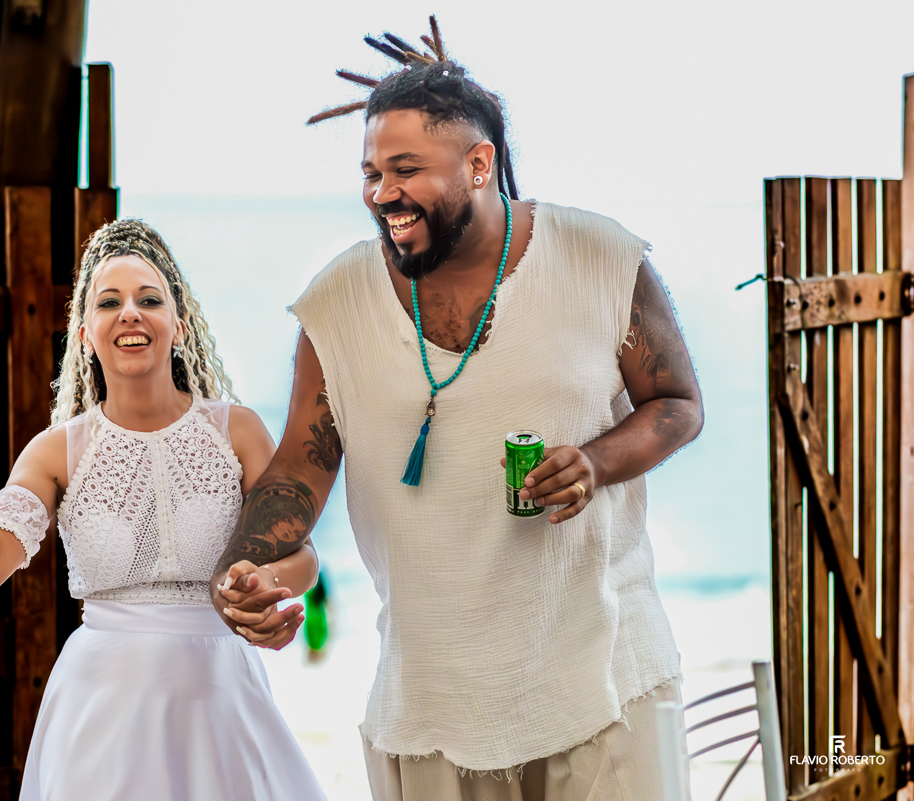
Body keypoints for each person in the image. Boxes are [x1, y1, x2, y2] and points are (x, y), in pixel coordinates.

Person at [210, 17, 703, 801]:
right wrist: (242, 571)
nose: (382, 194)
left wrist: (595, 460)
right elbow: (299, 470)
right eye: (371, 172)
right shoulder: (337, 304)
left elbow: (677, 403)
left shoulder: (600, 258)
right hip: (429, 705)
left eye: (405, 169)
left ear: (479, 165)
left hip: (607, 690)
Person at [0, 220, 326, 800]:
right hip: (100, 715)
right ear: (84, 334)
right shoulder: (57, 452)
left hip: (225, 702)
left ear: (178, 327)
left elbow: (302, 555)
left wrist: (265, 582)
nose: (130, 312)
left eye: (149, 299)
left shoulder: (238, 432)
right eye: (109, 302)